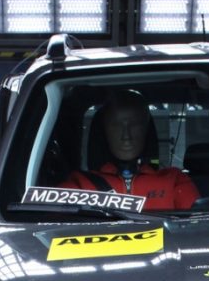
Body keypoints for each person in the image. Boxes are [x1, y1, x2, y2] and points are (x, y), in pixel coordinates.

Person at [60, 90, 199, 211]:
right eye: (116, 125)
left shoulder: (174, 180)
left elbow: (197, 225)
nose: (126, 136)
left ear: (146, 130)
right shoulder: (80, 184)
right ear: (104, 132)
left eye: (135, 125)